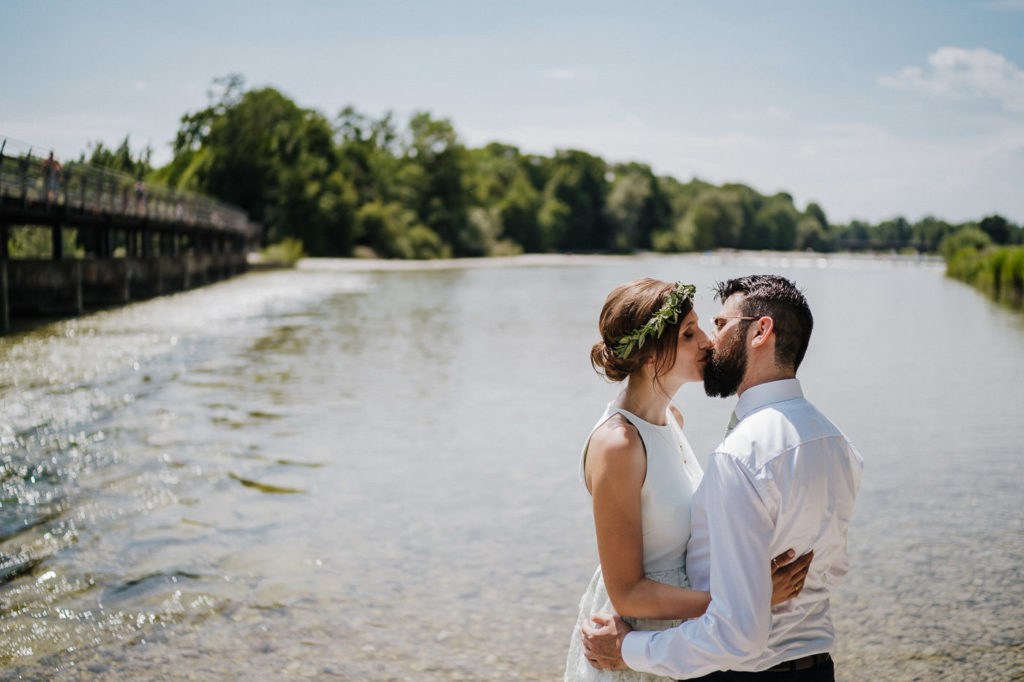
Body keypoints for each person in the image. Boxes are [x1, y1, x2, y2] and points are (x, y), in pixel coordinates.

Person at [582, 275, 864, 681]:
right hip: (655, 640)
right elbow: (626, 589)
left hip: (682, 647)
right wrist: (744, 596)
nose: (708, 343)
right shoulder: (618, 443)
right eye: (690, 333)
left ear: (761, 332)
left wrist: (745, 596)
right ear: (649, 354)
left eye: (714, 326)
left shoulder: (682, 424)